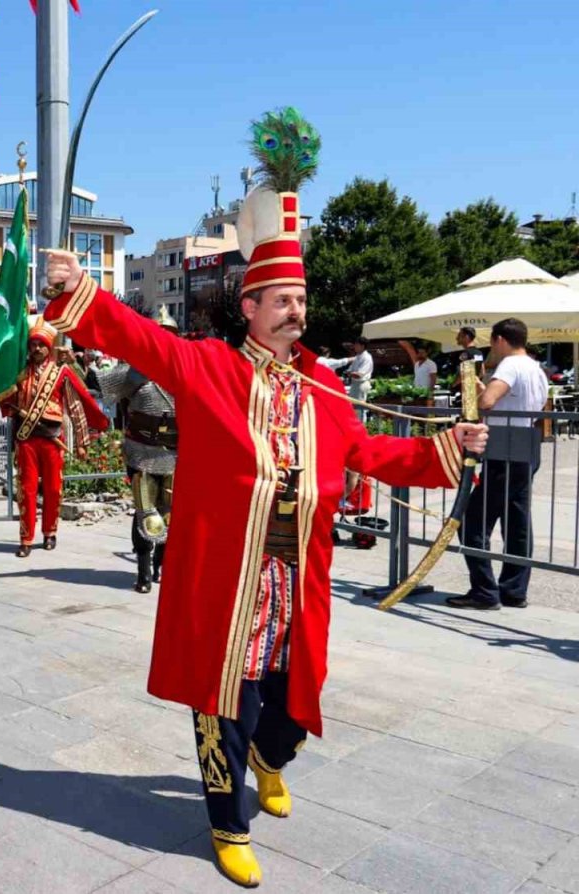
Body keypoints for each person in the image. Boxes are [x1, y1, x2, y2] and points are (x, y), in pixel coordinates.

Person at [39, 109, 487, 887]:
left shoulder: (322, 390)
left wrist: (449, 449)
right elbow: (143, 341)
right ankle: (224, 819)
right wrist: (81, 293)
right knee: (225, 699)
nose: (296, 312)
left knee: (291, 711)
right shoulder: (211, 369)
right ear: (248, 308)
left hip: (296, 577)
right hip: (226, 578)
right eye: (280, 301)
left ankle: (269, 756)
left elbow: (375, 454)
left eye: (300, 301)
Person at [448, 317, 548, 611]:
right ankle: (514, 589)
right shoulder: (535, 367)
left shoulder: (510, 365)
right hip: (526, 445)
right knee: (517, 522)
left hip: (504, 448)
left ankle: (484, 591)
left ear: (500, 340)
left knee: (471, 521)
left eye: (492, 342)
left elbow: (488, 402)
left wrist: (478, 392)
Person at [0, 323, 109, 558]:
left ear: (49, 348)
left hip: (52, 438)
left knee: (52, 488)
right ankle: (26, 538)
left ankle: (50, 532)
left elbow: (75, 407)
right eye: (34, 344)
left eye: (41, 345)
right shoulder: (20, 373)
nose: (37, 348)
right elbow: (6, 400)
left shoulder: (60, 373)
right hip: (26, 438)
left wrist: (82, 442)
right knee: (26, 490)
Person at [96, 305, 178, 593]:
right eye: (158, 333)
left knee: (170, 513)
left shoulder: (183, 372)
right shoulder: (133, 372)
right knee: (146, 511)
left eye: (167, 334)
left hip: (174, 453)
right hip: (142, 453)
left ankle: (161, 566)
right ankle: (143, 573)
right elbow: (99, 384)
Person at [321, 337, 373, 404]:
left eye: (356, 345)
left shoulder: (367, 357)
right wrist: (348, 373)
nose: (354, 346)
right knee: (353, 407)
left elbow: (359, 375)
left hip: (361, 384)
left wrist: (349, 373)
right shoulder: (357, 356)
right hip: (354, 384)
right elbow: (349, 370)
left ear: (362, 346)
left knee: (360, 408)